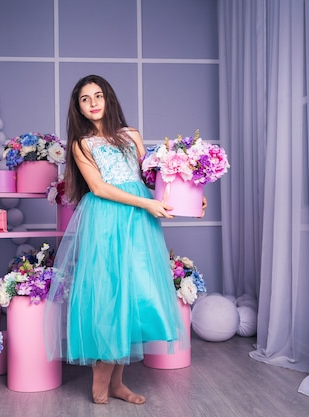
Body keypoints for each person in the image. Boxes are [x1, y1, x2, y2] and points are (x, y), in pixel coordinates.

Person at [44, 74, 202, 404]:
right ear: (79, 108)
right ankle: (100, 381)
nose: (93, 103)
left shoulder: (131, 135)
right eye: (84, 99)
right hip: (105, 218)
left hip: (137, 222)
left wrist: (191, 197)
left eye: (98, 95)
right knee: (108, 293)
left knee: (133, 293)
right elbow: (100, 188)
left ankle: (118, 383)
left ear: (109, 98)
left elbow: (149, 179)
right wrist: (147, 202)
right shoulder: (82, 144)